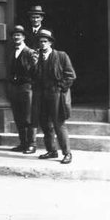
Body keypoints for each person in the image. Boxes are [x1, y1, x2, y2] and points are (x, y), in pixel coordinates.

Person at [32, 29, 75, 164]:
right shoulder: (36, 57)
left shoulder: (61, 56)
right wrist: (32, 64)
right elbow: (32, 77)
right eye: (40, 42)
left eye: (45, 41)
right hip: (41, 95)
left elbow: (70, 75)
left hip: (56, 95)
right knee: (45, 124)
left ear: (50, 43)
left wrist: (61, 88)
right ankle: (52, 150)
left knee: (59, 124)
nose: (42, 44)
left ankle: (67, 153)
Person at [7, 25, 37, 154]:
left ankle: (32, 144)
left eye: (18, 35)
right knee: (18, 116)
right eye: (14, 35)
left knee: (28, 117)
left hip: (27, 88)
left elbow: (35, 72)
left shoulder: (30, 52)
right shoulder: (12, 52)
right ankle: (23, 143)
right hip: (15, 88)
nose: (16, 37)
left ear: (23, 37)